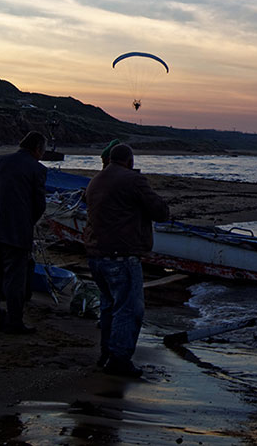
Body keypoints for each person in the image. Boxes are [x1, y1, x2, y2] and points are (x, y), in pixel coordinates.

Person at [84, 143, 169, 378]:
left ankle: (107, 354)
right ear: (130, 161)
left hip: (97, 254)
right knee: (129, 308)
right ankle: (119, 358)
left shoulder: (96, 180)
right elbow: (159, 211)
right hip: (120, 255)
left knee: (109, 306)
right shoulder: (133, 180)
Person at [0, 131, 47, 334]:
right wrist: (26, 222)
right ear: (37, 149)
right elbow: (39, 205)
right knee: (14, 278)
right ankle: (14, 321)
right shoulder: (37, 169)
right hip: (16, 232)